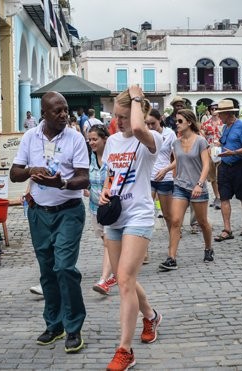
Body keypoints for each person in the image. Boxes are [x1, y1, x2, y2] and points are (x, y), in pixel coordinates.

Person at [10, 91, 89, 354]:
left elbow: (84, 178)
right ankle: (54, 325)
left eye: (66, 109)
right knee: (47, 270)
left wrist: (62, 183)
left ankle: (74, 326)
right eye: (58, 111)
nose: (64, 114)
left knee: (64, 267)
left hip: (68, 211)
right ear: (44, 113)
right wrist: (32, 170)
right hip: (39, 213)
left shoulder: (76, 138)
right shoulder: (30, 137)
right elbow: (14, 174)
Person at [100, 86, 162, 371]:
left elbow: (138, 128)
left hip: (139, 215)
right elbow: (110, 176)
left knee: (124, 278)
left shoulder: (151, 139)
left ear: (137, 112)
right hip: (115, 216)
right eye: (116, 116)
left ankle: (125, 351)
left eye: (123, 116)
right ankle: (149, 314)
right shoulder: (111, 142)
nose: (119, 122)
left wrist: (137, 98)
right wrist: (104, 192)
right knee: (125, 277)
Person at [157, 109, 213, 269]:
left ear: (189, 122)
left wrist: (200, 184)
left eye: (180, 121)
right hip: (180, 185)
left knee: (202, 222)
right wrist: (166, 169)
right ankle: (171, 258)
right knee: (175, 221)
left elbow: (206, 164)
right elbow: (179, 161)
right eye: (176, 121)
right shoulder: (176, 143)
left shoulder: (201, 141)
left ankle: (208, 248)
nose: (177, 124)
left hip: (197, 186)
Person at [213, 99, 242, 241]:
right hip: (224, 166)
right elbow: (226, 143)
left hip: (240, 165)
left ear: (228, 113)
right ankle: (227, 229)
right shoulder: (225, 127)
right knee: (224, 197)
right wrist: (218, 145)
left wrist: (234, 152)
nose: (218, 117)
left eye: (220, 115)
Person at [85, 125, 117, 295]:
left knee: (108, 242)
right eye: (89, 139)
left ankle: (104, 279)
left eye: (95, 139)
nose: (91, 143)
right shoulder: (89, 157)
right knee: (107, 241)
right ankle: (117, 271)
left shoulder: (112, 157)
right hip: (94, 208)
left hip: (111, 208)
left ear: (105, 139)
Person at [147, 108, 176, 236]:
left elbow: (178, 158)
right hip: (148, 178)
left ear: (160, 120)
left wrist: (166, 170)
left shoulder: (169, 134)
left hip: (165, 178)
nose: (150, 126)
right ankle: (143, 249)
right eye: (147, 123)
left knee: (168, 215)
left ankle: (173, 243)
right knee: (145, 214)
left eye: (153, 123)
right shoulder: (145, 133)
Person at [200, 103, 222, 212]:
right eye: (212, 109)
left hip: (222, 150)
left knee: (221, 175)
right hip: (210, 150)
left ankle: (222, 197)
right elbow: (202, 136)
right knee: (213, 176)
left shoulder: (224, 123)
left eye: (216, 109)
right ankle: (217, 197)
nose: (214, 110)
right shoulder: (205, 124)